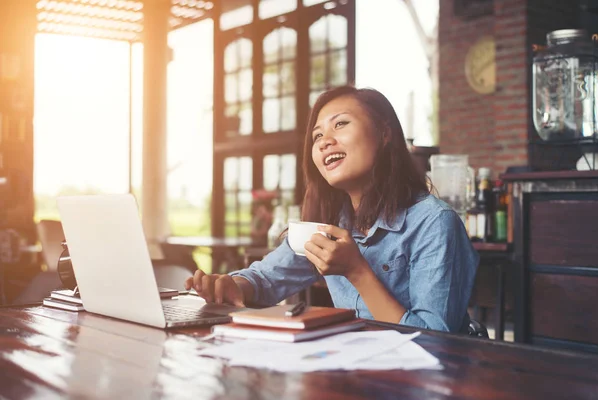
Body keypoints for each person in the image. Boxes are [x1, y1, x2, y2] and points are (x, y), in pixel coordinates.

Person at [184, 86, 479, 333]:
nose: (325, 141)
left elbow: (434, 339)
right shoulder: (327, 224)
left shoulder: (435, 223)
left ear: (384, 133)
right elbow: (266, 278)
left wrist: (357, 271)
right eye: (316, 136)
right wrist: (233, 286)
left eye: (340, 124)